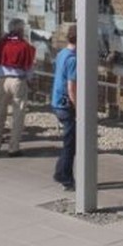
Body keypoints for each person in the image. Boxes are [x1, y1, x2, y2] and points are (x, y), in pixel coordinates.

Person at [0, 17, 36, 156]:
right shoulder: (25, 46)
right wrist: (29, 80)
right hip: (18, 80)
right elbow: (29, 67)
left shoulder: (0, 43)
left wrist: (0, 75)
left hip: (4, 79)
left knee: (0, 113)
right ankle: (13, 147)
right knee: (18, 114)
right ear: (21, 30)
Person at [51, 24, 78, 190]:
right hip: (66, 105)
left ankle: (60, 172)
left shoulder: (62, 53)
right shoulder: (74, 59)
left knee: (69, 142)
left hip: (57, 103)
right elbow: (71, 87)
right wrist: (78, 108)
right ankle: (65, 177)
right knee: (70, 144)